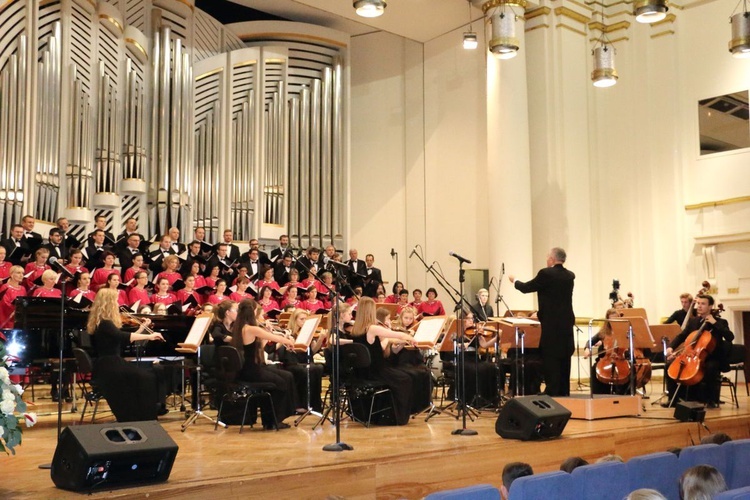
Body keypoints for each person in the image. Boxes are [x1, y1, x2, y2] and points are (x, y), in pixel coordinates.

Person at [86, 288, 166, 421]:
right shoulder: (105, 323)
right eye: (115, 301)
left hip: (108, 364)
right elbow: (122, 336)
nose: (118, 304)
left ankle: (143, 411)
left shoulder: (101, 322)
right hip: (110, 366)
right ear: (109, 303)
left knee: (144, 376)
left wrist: (141, 328)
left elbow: (119, 341)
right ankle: (144, 414)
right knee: (147, 377)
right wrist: (151, 336)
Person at [510, 247, 575, 397]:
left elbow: (526, 288)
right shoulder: (570, 276)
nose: (547, 260)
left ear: (552, 259)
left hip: (551, 324)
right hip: (566, 323)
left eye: (547, 257)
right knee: (564, 357)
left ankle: (552, 391)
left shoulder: (546, 273)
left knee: (551, 357)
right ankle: (564, 392)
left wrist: (515, 281)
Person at [350, 297, 420, 425]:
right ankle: (396, 417)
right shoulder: (371, 328)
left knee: (403, 377)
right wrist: (409, 337)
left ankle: (382, 412)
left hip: (362, 372)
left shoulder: (355, 329)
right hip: (376, 371)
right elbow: (395, 334)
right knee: (406, 379)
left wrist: (397, 340)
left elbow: (378, 345)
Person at [231, 299, 296, 429]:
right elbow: (277, 338)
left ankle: (270, 420)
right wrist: (289, 340)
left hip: (247, 369)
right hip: (252, 371)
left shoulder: (239, 327)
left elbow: (259, 347)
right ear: (253, 311)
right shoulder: (251, 328)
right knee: (282, 382)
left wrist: (266, 334)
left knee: (286, 375)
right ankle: (273, 420)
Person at [666, 293, 734, 408]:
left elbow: (730, 337)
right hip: (693, 355)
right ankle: (674, 399)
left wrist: (715, 323)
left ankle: (710, 399)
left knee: (710, 367)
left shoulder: (720, 322)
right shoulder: (693, 321)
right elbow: (682, 336)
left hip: (713, 357)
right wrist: (671, 347)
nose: (699, 306)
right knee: (669, 365)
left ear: (710, 306)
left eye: (703, 304)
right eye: (698, 303)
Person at [583, 308, 630, 395]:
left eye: (615, 319)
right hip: (605, 360)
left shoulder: (625, 331)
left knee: (630, 371)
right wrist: (587, 348)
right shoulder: (604, 332)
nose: (613, 322)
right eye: (611, 320)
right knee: (594, 369)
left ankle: (625, 396)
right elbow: (590, 341)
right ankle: (599, 395)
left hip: (621, 359)